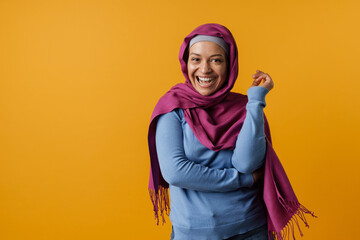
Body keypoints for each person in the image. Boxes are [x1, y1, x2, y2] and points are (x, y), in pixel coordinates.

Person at [148, 23, 315, 240]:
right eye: (196, 59)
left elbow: (247, 163)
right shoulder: (172, 107)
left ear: (230, 65)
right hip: (193, 233)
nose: (205, 69)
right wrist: (242, 180)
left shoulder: (245, 107)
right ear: (186, 63)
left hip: (250, 229)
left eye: (216, 60)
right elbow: (175, 172)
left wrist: (256, 101)